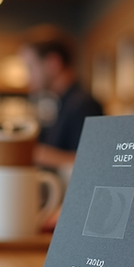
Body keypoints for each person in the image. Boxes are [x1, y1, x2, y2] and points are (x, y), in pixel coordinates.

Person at [19, 27, 104, 169]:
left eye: (30, 67)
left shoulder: (83, 105)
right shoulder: (64, 102)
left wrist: (37, 154)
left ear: (53, 63)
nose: (28, 77)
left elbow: (92, 162)